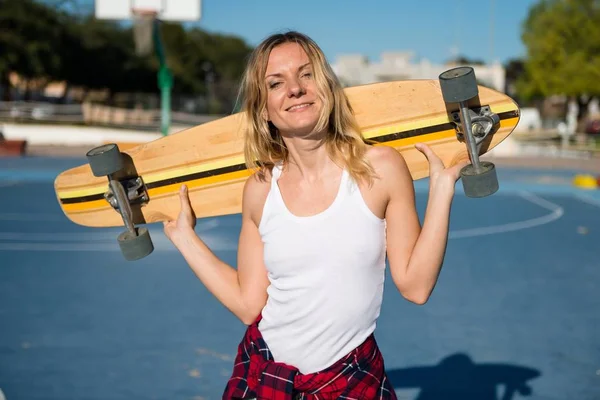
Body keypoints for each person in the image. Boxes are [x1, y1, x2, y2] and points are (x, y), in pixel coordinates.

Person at [163, 31, 468, 399]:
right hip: (264, 372)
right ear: (264, 109)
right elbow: (248, 305)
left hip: (349, 378)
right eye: (276, 83)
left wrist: (442, 189)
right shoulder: (260, 190)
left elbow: (415, 287)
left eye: (306, 74)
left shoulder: (381, 169)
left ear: (327, 86)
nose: (295, 88)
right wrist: (185, 238)